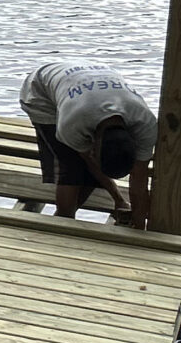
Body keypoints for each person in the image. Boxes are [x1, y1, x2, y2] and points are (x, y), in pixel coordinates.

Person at [19, 60, 157, 224]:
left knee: (88, 174)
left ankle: (64, 217)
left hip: (87, 81)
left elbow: (140, 182)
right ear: (94, 146)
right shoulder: (73, 123)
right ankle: (63, 223)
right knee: (72, 168)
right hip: (40, 90)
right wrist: (119, 199)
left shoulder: (146, 126)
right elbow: (89, 162)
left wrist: (139, 227)